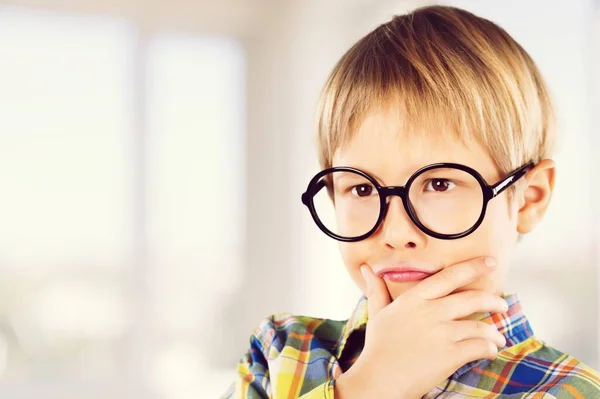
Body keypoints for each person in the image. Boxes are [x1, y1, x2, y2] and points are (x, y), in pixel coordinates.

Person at [222, 5, 600, 398]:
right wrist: (369, 387)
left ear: (528, 199)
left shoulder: (569, 392)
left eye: (439, 184)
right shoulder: (280, 353)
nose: (397, 232)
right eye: (363, 189)